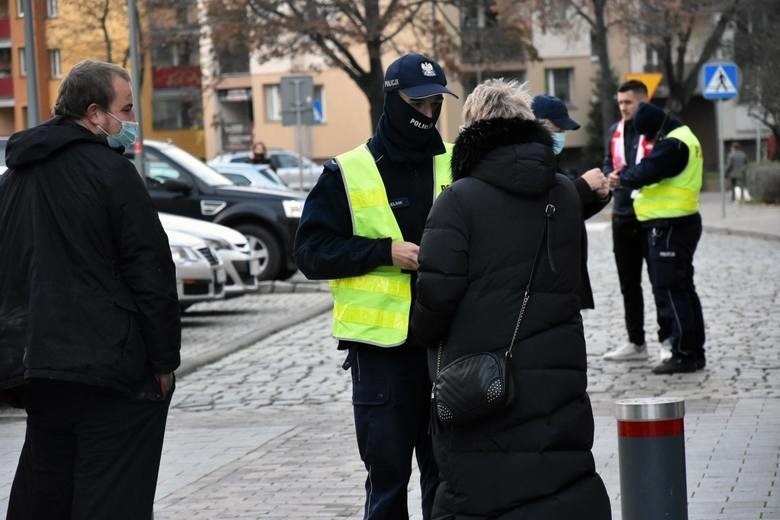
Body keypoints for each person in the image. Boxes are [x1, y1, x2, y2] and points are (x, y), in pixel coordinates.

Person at [410, 79, 611, 518]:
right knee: (559, 473)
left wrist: (419, 330)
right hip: (558, 368)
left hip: (484, 379)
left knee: (479, 489)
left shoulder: (458, 200)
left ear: (471, 131)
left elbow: (435, 297)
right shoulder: (563, 192)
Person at [0, 60, 181, 519]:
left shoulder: (14, 179)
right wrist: (163, 363)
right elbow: (150, 271)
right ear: (96, 113)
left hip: (37, 371)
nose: (131, 120)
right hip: (112, 370)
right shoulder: (111, 173)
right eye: (126, 108)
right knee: (112, 496)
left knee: (47, 493)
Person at [294, 53, 457, 519]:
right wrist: (383, 252)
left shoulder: (454, 163)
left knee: (446, 481)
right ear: (393, 101)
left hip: (444, 348)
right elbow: (310, 254)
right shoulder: (347, 171)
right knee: (387, 484)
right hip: (380, 358)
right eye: (418, 104)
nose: (428, 115)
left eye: (435, 105)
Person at [608, 102, 706, 374]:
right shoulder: (686, 137)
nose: (650, 141)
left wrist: (621, 179)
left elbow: (647, 170)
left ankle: (684, 353)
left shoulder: (673, 145)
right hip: (680, 223)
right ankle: (694, 350)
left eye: (650, 135)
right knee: (685, 289)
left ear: (657, 128)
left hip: (669, 227)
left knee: (672, 291)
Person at [531, 94, 611, 309]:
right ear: (542, 125)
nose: (562, 136)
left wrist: (599, 195)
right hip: (548, 275)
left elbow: (569, 209)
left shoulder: (549, 157)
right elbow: (545, 207)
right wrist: (583, 185)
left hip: (563, 271)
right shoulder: (530, 161)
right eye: (559, 130)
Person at [602, 80, 657, 362]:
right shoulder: (614, 131)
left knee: (660, 280)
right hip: (622, 216)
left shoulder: (655, 130)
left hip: (651, 217)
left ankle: (669, 340)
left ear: (643, 101)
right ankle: (636, 342)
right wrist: (610, 175)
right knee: (629, 283)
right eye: (620, 102)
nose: (623, 108)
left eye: (628, 102)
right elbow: (608, 163)